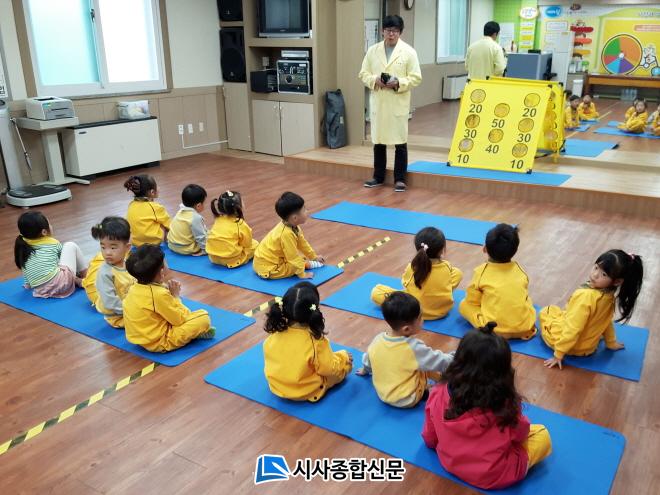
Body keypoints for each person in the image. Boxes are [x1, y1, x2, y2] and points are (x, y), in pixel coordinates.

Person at [422, 322, 552, 490]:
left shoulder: (438, 391)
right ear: (503, 371)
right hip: (495, 475)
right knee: (542, 434)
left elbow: (430, 434)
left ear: (458, 360)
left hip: (449, 462)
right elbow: (521, 433)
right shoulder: (504, 405)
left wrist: (437, 444)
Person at [540, 249, 643, 369]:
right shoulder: (609, 296)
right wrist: (611, 342)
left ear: (617, 281)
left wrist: (558, 354)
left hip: (570, 348)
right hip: (588, 348)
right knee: (564, 314)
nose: (595, 275)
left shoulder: (585, 296)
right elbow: (606, 322)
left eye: (604, 274)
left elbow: (573, 329)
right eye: (596, 267)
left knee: (547, 311)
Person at [357, 291, 454, 408]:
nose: (423, 320)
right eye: (420, 317)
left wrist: (365, 370)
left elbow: (368, 359)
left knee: (417, 363)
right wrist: (457, 356)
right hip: (407, 399)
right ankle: (425, 392)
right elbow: (440, 361)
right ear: (406, 329)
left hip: (383, 393)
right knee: (425, 366)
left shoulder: (377, 339)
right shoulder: (414, 348)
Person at [359, 15, 422, 192]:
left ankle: (400, 179)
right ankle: (378, 177)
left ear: (400, 32)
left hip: (397, 102)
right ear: (382, 31)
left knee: (400, 142)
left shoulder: (409, 52)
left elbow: (416, 77)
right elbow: (363, 73)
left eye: (395, 31)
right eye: (388, 30)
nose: (391, 34)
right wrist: (375, 80)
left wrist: (398, 83)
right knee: (378, 141)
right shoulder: (373, 51)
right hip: (379, 102)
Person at [263, 282, 352, 402]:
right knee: (344, 365)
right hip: (306, 391)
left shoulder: (275, 333)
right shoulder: (315, 341)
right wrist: (344, 358)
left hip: (276, 386)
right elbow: (328, 369)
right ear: (314, 309)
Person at [123, 244, 214, 352]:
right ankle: (192, 335)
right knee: (203, 317)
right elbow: (179, 319)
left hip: (140, 339)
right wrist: (175, 296)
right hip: (160, 342)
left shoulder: (134, 287)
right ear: (161, 272)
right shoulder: (158, 294)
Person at [459, 224, 536, 339]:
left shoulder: (481, 272)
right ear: (515, 250)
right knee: (527, 300)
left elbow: (472, 301)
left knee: (464, 305)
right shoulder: (520, 270)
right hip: (524, 329)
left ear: (485, 249)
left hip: (494, 330)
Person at [371, 227, 462, 320]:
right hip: (442, 311)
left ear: (418, 248)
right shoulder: (446, 266)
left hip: (414, 310)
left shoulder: (412, 267)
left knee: (376, 292)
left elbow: (405, 283)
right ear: (442, 250)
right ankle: (437, 296)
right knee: (457, 273)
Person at [253, 192, 325, 279]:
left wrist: (314, 257)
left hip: (269, 260)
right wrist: (302, 274)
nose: (307, 211)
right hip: (268, 268)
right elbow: (293, 258)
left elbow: (302, 244)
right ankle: (306, 265)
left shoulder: (293, 226)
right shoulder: (286, 234)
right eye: (304, 210)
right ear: (295, 218)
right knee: (295, 264)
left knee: (298, 259)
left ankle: (305, 264)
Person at [15, 211, 86, 298]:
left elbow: (25, 268)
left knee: (54, 269)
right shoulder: (52, 243)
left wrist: (28, 284)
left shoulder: (23, 245)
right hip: (62, 285)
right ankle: (86, 277)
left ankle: (76, 280)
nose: (51, 226)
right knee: (70, 245)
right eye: (50, 224)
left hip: (41, 290)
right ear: (44, 232)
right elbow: (63, 262)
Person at [91, 217, 135, 328]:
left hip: (132, 307)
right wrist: (133, 310)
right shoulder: (105, 273)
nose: (107, 252)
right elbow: (110, 303)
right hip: (119, 316)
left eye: (113, 248)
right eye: (103, 247)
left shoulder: (128, 263)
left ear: (127, 248)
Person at [206, 190, 259, 268]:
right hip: (231, 260)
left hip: (213, 258)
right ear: (239, 207)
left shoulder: (218, 219)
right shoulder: (240, 224)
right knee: (255, 244)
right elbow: (247, 244)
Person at [124, 174, 171, 247]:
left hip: (135, 242)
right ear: (152, 192)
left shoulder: (131, 204)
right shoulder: (155, 207)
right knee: (164, 225)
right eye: (157, 186)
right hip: (152, 243)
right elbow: (169, 224)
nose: (159, 188)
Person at [167, 184, 208, 255]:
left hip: (171, 245)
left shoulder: (180, 211)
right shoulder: (196, 218)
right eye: (204, 203)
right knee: (210, 237)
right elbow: (201, 237)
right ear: (198, 206)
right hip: (186, 248)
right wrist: (205, 251)